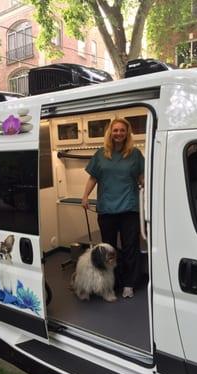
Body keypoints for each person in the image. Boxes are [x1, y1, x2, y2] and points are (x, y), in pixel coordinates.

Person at [82, 118, 144, 298]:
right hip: (107, 209)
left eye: (122, 130)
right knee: (107, 250)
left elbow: (142, 178)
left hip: (129, 209)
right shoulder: (101, 154)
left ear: (127, 133)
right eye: (115, 130)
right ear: (110, 132)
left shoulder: (135, 154)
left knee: (130, 247)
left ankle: (129, 284)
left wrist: (150, 191)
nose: (118, 133)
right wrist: (85, 196)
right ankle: (112, 282)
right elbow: (93, 178)